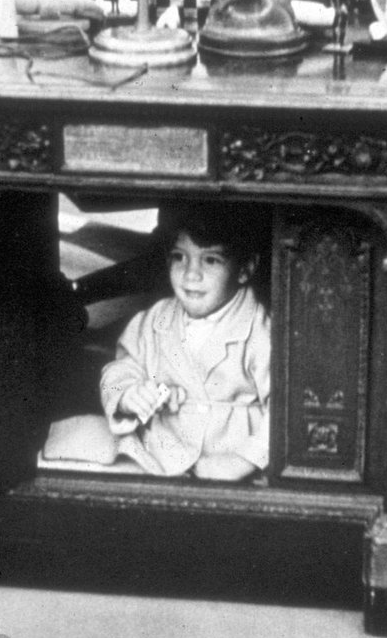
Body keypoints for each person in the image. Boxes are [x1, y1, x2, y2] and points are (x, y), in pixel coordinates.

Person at [87, 202, 270, 482]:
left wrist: (244, 460)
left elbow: (284, 410)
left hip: (233, 467)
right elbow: (118, 370)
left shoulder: (259, 328)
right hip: (161, 456)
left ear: (245, 268)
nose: (190, 274)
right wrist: (126, 394)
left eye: (210, 260)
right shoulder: (156, 319)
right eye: (179, 257)